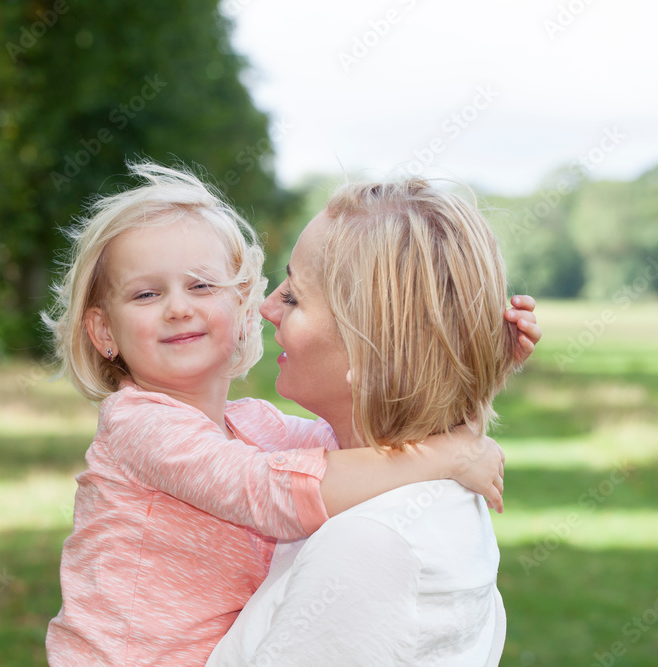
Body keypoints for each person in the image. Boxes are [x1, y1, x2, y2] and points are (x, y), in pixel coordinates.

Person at [42, 162, 539, 666]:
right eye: (147, 294)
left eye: (202, 287)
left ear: (239, 306)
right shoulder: (139, 423)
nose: (177, 308)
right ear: (103, 333)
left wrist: (476, 366)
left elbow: (356, 447)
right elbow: (273, 489)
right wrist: (444, 455)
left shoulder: (254, 425)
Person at [207, 178, 538, 666]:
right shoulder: (440, 489)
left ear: (370, 351)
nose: (267, 307)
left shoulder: (369, 546)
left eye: (295, 297)